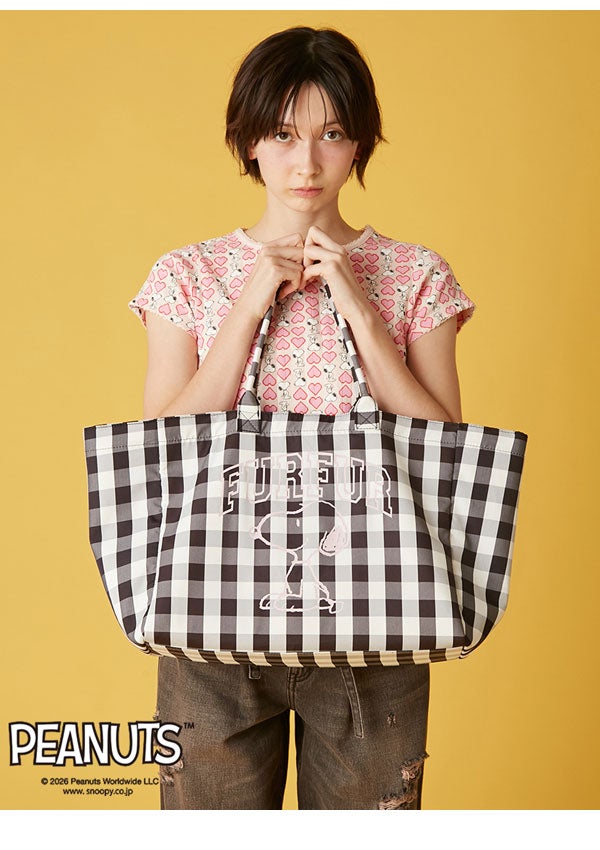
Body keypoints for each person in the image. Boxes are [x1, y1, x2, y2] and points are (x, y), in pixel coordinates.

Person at [128, 26, 476, 810]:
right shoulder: (188, 275)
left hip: (377, 614)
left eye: (333, 134)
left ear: (360, 144)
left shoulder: (415, 274)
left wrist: (361, 309)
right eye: (283, 134)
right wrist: (249, 303)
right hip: (212, 612)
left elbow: (448, 448)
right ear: (248, 139)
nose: (307, 163)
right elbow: (161, 446)